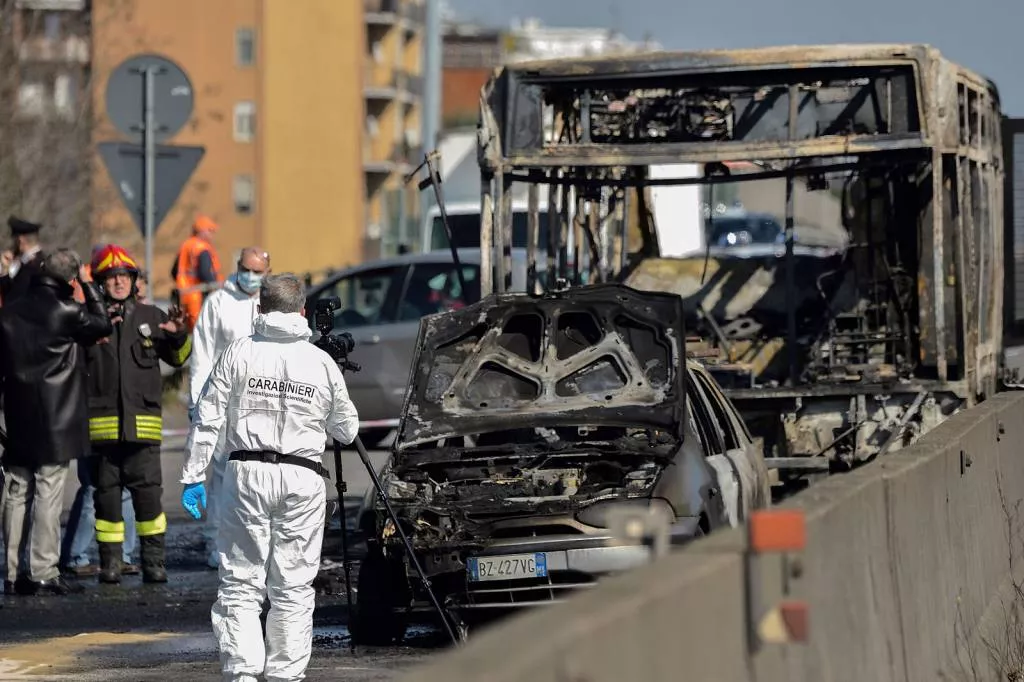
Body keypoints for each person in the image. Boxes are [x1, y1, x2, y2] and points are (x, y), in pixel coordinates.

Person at [181, 273, 358, 682]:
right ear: (302, 311)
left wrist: (193, 475)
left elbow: (207, 418)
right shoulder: (320, 362)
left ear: (259, 310)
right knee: (293, 587)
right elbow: (346, 431)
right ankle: (285, 676)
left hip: (246, 476)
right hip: (302, 477)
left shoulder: (238, 353)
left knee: (241, 582)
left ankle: (242, 673)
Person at [0, 249, 112, 596]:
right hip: (56, 418)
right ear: (70, 279)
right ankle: (43, 569)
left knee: (16, 492)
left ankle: (13, 571)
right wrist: (91, 286)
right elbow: (103, 323)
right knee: (48, 493)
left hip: (17, 414)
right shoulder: (67, 311)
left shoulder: (9, 313)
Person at [86, 244, 191, 584]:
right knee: (107, 502)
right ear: (101, 282)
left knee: (149, 499)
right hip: (103, 429)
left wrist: (179, 337)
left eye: (124, 276)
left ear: (134, 281)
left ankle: (154, 562)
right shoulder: (89, 321)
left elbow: (177, 360)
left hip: (142, 428)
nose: (118, 282)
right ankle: (111, 564)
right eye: (111, 277)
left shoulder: (152, 317)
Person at [189, 246, 270, 569]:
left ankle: (254, 542)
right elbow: (202, 356)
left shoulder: (269, 303)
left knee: (258, 474)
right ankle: (216, 541)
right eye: (246, 269)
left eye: (258, 271)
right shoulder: (219, 304)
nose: (251, 276)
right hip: (224, 400)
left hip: (261, 402)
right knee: (222, 473)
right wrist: (197, 401)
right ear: (237, 267)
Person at [172, 215, 223, 332]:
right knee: (201, 330)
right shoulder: (202, 248)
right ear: (202, 231)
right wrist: (216, 289)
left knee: (187, 330)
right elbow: (205, 273)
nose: (212, 235)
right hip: (200, 296)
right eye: (210, 231)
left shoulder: (186, 245)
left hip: (185, 294)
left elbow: (175, 271)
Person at [0, 216, 45, 305]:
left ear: (21, 240)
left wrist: (5, 273)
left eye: (15, 240)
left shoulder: (32, 266)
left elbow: (12, 298)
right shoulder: (36, 261)